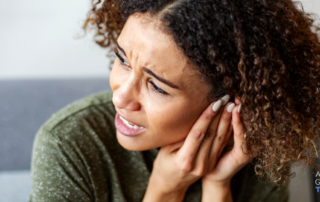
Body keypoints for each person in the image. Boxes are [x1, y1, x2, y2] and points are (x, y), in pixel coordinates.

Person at [29, 0, 320, 201]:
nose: (120, 97)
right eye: (122, 60)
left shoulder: (258, 153)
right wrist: (164, 190)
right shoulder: (68, 144)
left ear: (227, 101)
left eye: (157, 86)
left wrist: (218, 187)